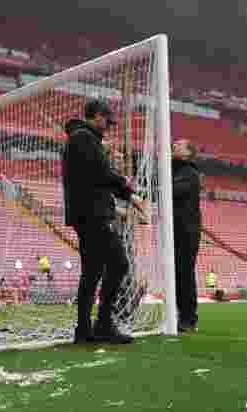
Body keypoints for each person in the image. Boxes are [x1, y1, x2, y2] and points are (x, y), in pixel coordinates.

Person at [62, 98, 148, 344]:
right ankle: (103, 323)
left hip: (84, 213)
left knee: (92, 272)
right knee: (119, 264)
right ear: (97, 116)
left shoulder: (81, 138)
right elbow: (102, 173)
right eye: (107, 122)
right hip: (92, 213)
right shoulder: (84, 138)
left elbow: (98, 174)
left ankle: (84, 330)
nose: (108, 127)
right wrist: (130, 192)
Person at [171, 139, 203, 333]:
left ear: (188, 153)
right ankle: (180, 315)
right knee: (176, 274)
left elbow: (173, 192)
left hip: (187, 230)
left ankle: (189, 318)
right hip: (175, 228)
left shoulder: (190, 173)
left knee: (184, 273)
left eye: (179, 145)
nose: (174, 145)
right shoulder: (176, 171)